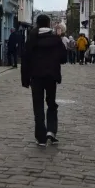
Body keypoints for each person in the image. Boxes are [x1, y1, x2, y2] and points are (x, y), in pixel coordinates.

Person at [21, 14, 67, 146]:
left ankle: (41, 137)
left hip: (36, 76)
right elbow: (63, 58)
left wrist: (25, 79)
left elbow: (25, 60)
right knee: (51, 103)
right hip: (51, 76)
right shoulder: (56, 40)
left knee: (38, 106)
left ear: (37, 24)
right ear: (48, 24)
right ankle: (51, 130)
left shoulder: (32, 39)